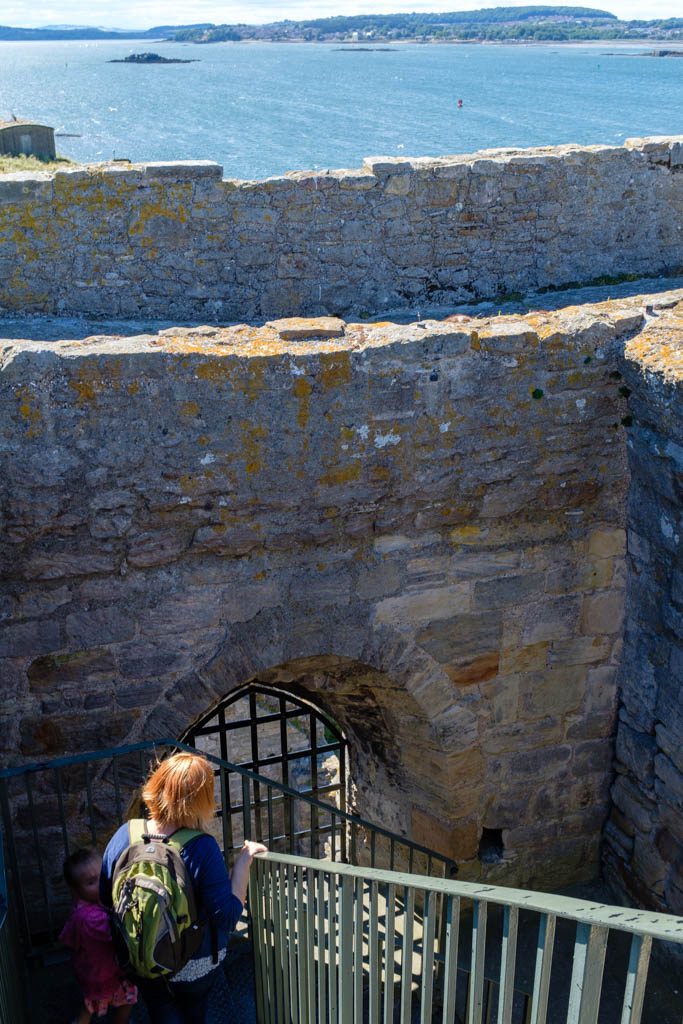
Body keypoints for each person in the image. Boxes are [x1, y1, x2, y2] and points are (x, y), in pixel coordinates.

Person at [100, 752, 266, 1024]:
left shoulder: (124, 835)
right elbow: (226, 917)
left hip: (139, 956)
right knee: (193, 1012)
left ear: (157, 785)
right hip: (193, 962)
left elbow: (106, 899)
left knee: (160, 1009)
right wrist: (243, 863)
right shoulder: (201, 847)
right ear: (202, 800)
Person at [60, 847, 138, 1024]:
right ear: (76, 890)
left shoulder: (80, 910)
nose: (101, 883)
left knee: (90, 1005)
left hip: (90, 972)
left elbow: (69, 940)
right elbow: (119, 934)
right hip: (106, 975)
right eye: (91, 882)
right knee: (125, 999)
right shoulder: (91, 918)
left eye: (102, 875)